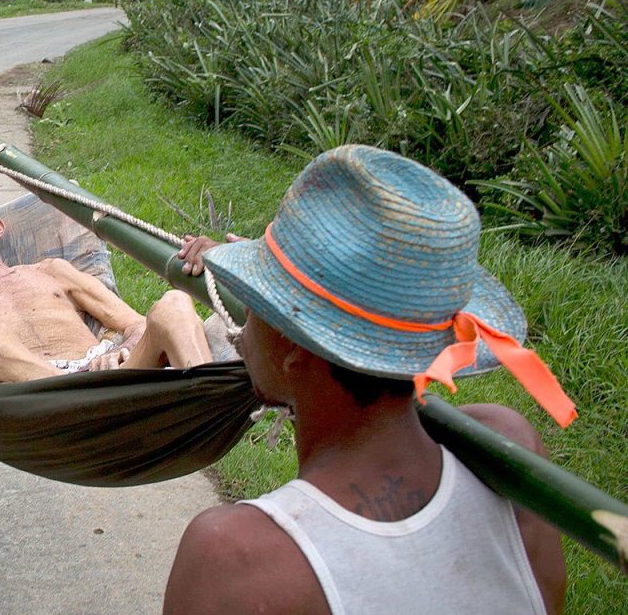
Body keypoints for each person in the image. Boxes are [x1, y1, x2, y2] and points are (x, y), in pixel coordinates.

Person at [164, 145, 576, 614]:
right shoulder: (508, 447)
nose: (244, 320)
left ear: (293, 346)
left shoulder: (232, 557)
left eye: (257, 304)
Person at [0, 197, 214, 382]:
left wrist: (119, 349)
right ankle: (72, 393)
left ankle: (207, 396)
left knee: (175, 303)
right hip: (38, 396)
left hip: (104, 373)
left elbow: (135, 322)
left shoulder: (52, 270)